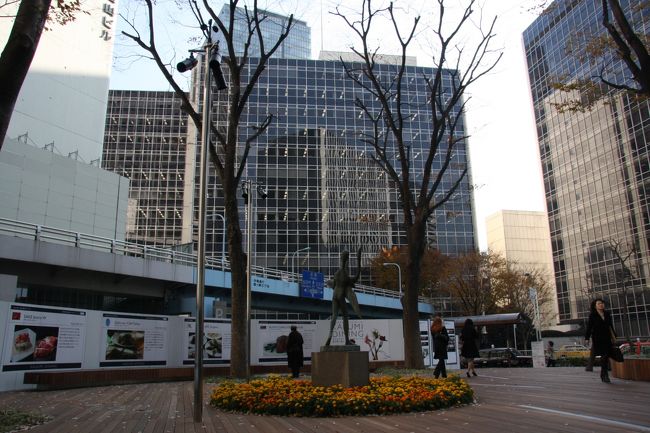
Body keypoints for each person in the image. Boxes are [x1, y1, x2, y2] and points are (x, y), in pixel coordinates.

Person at [324, 248, 362, 346]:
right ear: (347, 259)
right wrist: (358, 259)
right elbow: (356, 278)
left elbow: (334, 284)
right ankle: (346, 340)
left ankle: (329, 337)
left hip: (334, 296)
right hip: (340, 296)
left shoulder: (337, 273)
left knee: (334, 316)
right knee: (345, 316)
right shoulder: (345, 274)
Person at [585, 298, 616, 383]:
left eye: (602, 303)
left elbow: (610, 326)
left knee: (605, 356)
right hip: (597, 338)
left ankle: (604, 375)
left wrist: (614, 336)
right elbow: (589, 327)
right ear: (595, 306)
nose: (601, 305)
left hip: (607, 338)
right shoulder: (592, 315)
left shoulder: (607, 314)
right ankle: (604, 375)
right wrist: (587, 338)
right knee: (603, 357)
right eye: (599, 303)